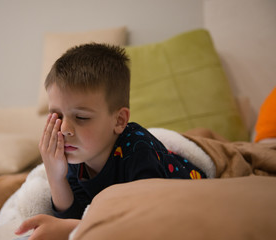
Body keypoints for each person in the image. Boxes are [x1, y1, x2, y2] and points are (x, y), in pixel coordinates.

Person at [15, 43, 206, 239]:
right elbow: (74, 214)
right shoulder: (76, 155)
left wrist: (71, 229)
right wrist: (55, 176)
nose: (64, 130)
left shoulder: (138, 152)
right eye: (57, 116)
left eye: (81, 117)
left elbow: (145, 221)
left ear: (119, 120)